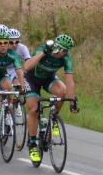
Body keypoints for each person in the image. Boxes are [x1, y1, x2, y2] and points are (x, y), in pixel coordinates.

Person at [23, 34, 79, 163]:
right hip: (32, 80)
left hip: (48, 79)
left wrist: (73, 100)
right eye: (63, 50)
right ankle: (32, 144)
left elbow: (70, 81)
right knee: (34, 109)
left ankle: (52, 118)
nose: (65, 53)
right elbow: (26, 67)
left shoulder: (66, 58)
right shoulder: (43, 49)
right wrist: (42, 53)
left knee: (62, 91)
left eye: (67, 50)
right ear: (57, 48)